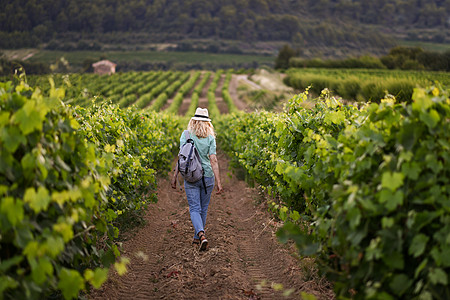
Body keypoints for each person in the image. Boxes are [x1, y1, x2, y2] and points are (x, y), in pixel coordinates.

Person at [171, 107, 223, 251]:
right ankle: (200, 236)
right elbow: (213, 160)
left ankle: (199, 236)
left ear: (193, 121)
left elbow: (182, 157)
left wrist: (175, 176)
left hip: (191, 176)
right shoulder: (210, 138)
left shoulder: (186, 135)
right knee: (203, 209)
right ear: (207, 123)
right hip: (207, 177)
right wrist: (219, 182)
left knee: (194, 208)